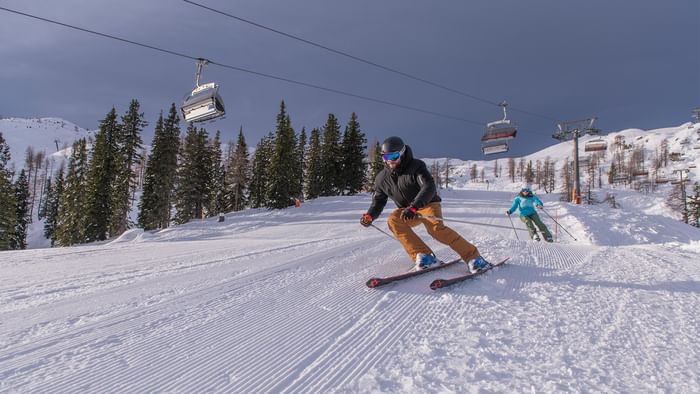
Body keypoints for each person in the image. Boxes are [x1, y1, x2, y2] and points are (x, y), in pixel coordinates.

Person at [360, 136, 490, 273]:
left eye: (394, 156)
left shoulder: (416, 166)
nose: (390, 161)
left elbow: (428, 187)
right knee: (393, 220)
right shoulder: (382, 178)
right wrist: (370, 215)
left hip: (427, 204)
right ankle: (424, 256)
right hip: (408, 210)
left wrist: (415, 206)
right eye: (386, 157)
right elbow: (378, 201)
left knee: (436, 230)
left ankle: (474, 258)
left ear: (402, 153)